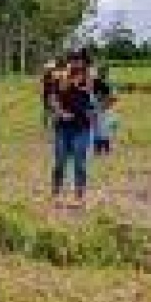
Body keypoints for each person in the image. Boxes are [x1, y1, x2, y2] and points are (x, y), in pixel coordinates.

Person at [50, 51, 98, 205]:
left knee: (80, 162)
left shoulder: (91, 79)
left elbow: (110, 96)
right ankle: (56, 191)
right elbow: (52, 98)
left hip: (83, 127)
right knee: (59, 162)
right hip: (62, 126)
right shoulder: (60, 77)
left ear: (85, 63)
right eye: (73, 60)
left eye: (80, 61)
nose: (76, 63)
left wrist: (96, 110)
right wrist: (60, 112)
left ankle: (80, 194)